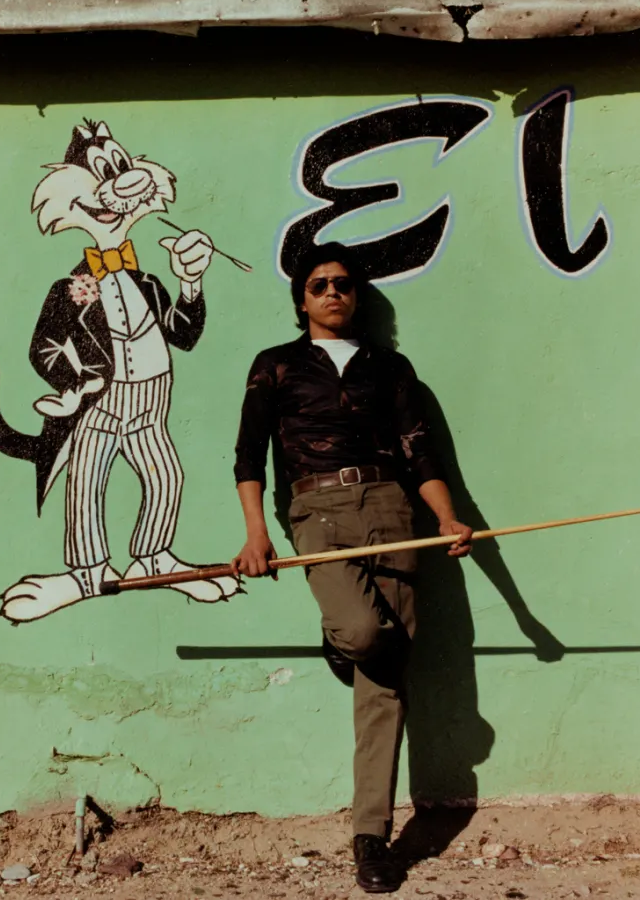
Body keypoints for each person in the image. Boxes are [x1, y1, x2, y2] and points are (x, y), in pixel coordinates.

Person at [231, 242, 472, 895]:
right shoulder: (276, 366)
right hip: (318, 510)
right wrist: (257, 536)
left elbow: (420, 452)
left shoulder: (390, 367)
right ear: (301, 300)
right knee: (364, 633)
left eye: (343, 283)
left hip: (392, 509)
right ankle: (341, 636)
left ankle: (372, 835)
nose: (333, 292)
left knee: (387, 677)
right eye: (319, 285)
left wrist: (447, 518)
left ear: (357, 296)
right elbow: (250, 456)